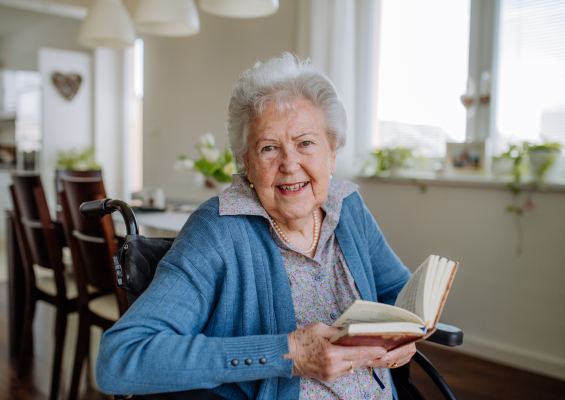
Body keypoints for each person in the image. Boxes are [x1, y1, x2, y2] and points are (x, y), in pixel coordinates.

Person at [96, 53, 415, 400]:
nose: (290, 164)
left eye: (306, 143)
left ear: (332, 152)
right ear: (247, 163)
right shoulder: (217, 230)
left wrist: (404, 334)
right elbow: (120, 358)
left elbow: (397, 289)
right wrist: (287, 353)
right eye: (269, 148)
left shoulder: (347, 204)